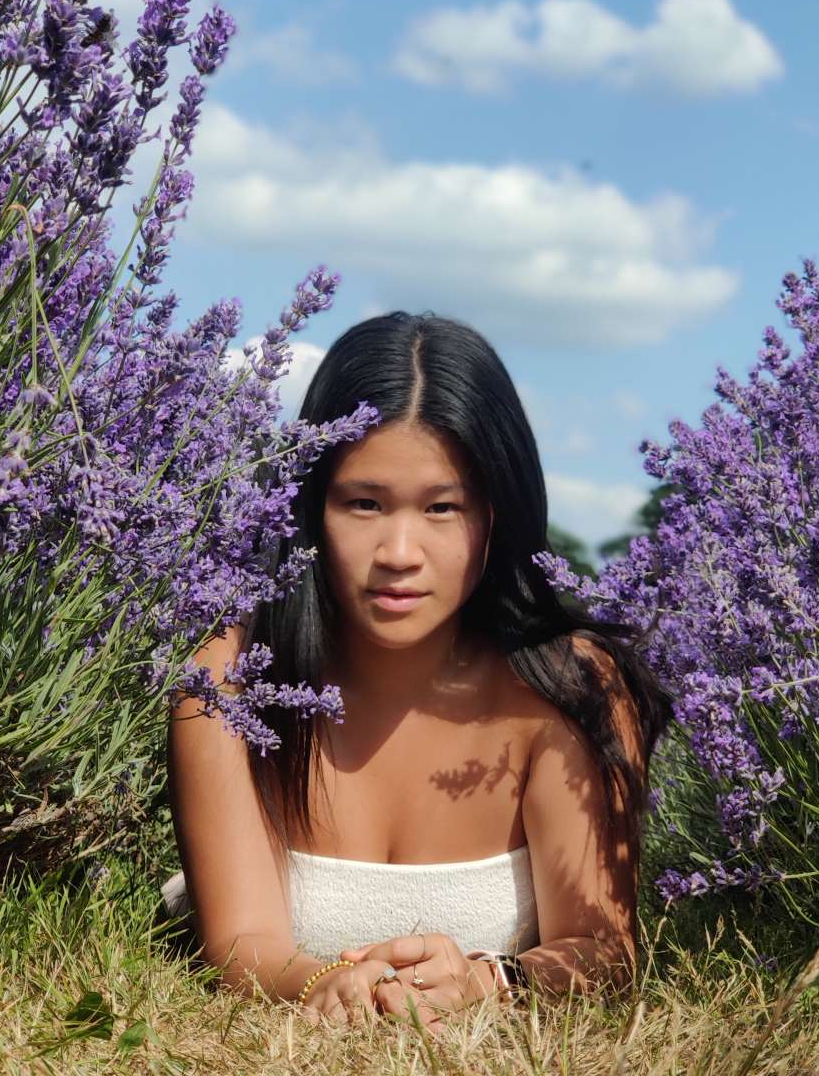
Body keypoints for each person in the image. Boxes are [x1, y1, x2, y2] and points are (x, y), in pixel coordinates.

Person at [163, 311, 671, 1033]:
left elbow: (604, 948)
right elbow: (242, 944)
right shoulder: (229, 682)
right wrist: (330, 983)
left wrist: (496, 981)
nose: (398, 551)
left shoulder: (570, 688)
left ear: (498, 517)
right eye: (363, 503)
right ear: (311, 507)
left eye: (442, 508)